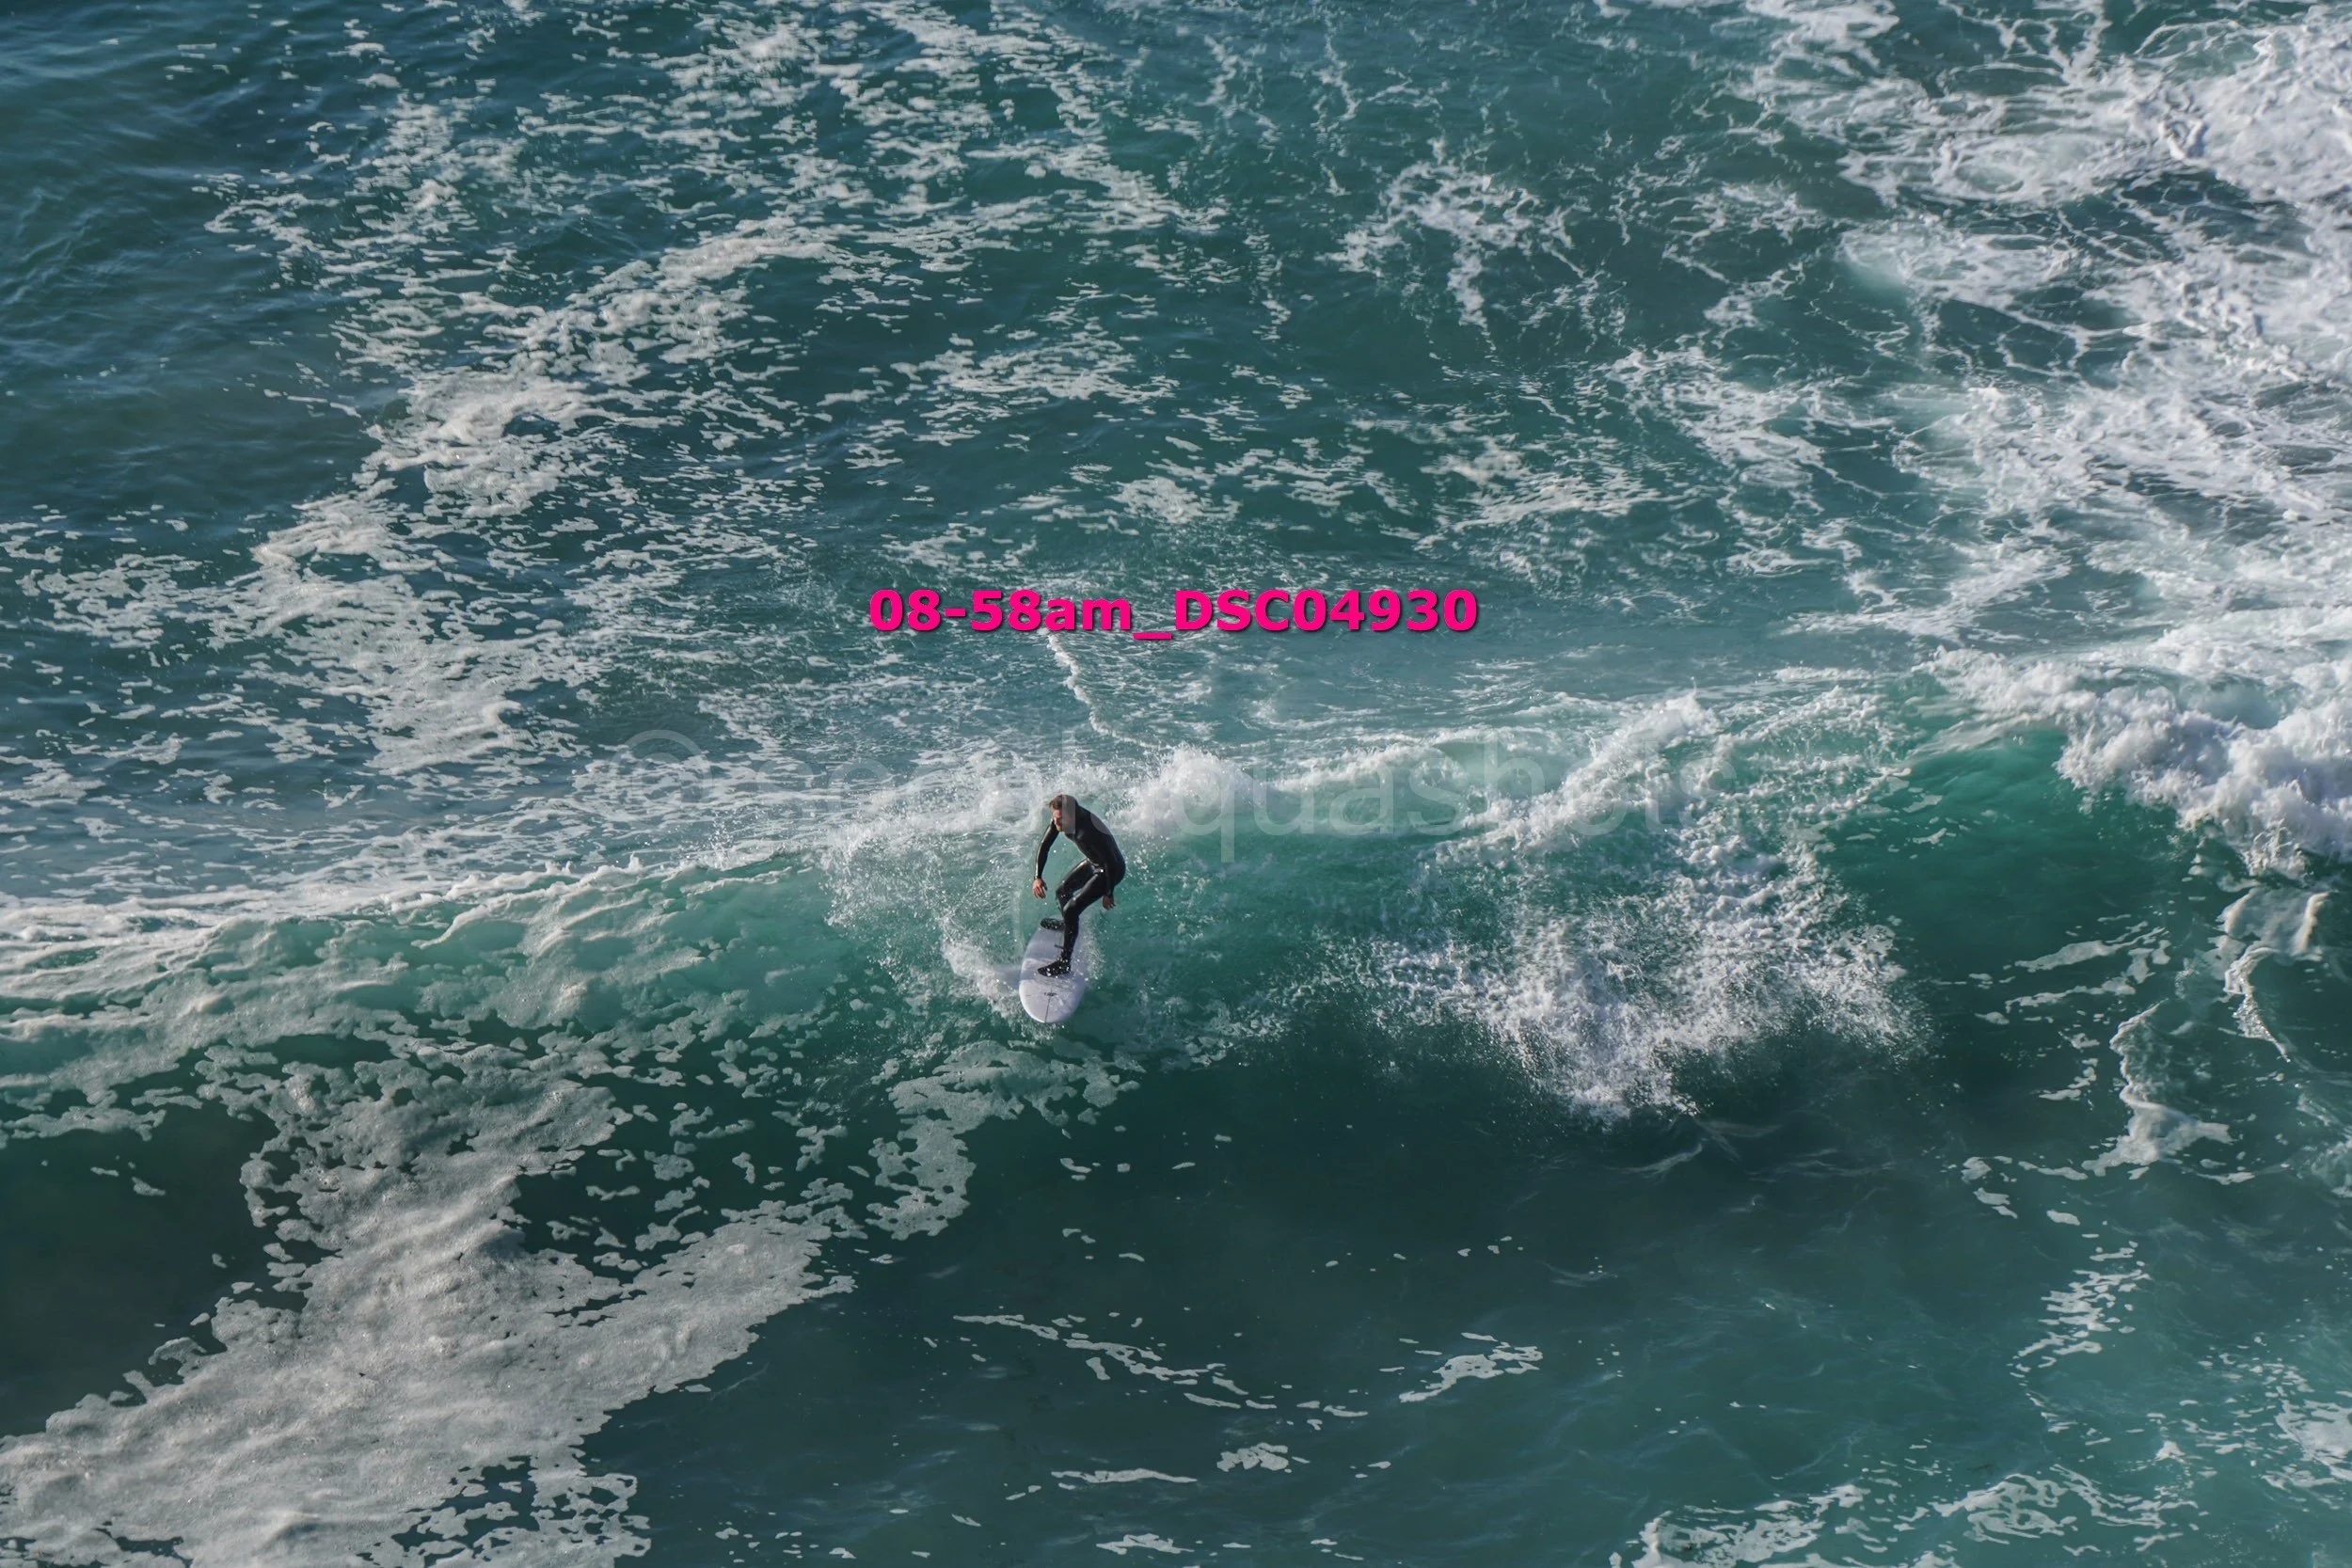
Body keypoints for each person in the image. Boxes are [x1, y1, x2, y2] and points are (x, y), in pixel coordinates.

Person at [1031, 792, 1124, 977]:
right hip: (1093, 862)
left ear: (1071, 816)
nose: (1055, 824)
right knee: (1061, 891)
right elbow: (1044, 846)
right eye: (1054, 818)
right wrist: (1038, 877)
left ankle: (1064, 963)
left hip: (1110, 871)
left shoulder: (1089, 831)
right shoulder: (1062, 819)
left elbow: (1110, 863)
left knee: (1072, 909)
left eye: (1059, 820)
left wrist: (1109, 893)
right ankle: (1069, 926)